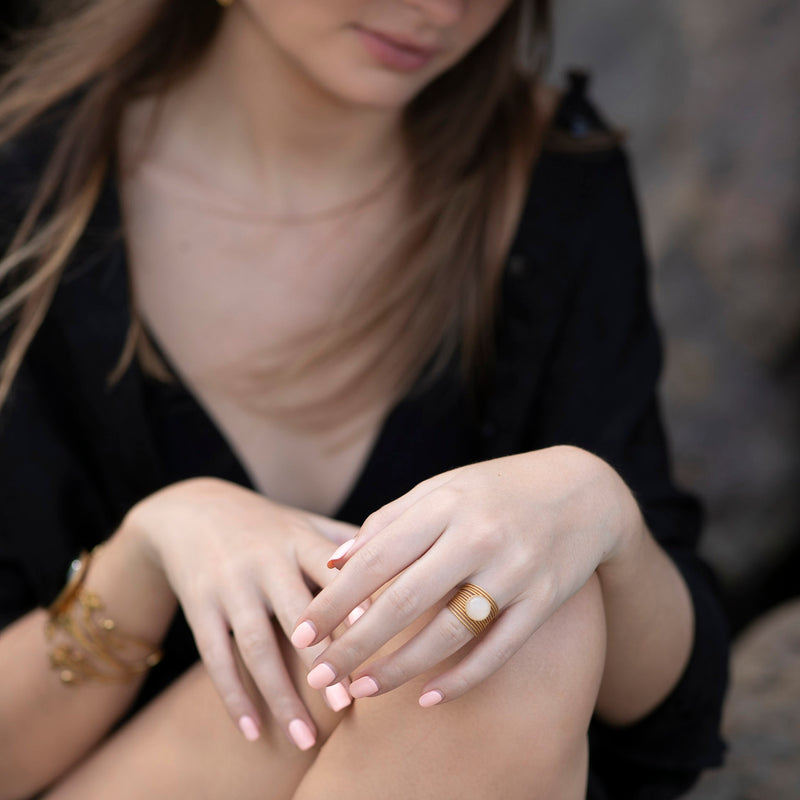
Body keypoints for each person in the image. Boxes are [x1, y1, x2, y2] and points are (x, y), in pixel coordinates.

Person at [0, 1, 728, 798]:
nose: (443, 8)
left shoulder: (553, 182)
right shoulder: (25, 188)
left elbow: (668, 729)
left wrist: (601, 510)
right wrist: (143, 557)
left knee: (500, 621)